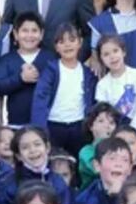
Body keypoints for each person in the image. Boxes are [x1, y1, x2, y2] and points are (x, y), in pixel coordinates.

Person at [30, 22, 96, 158]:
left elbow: (91, 102)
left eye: (72, 40)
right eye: (61, 42)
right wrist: (39, 131)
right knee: (54, 161)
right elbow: (40, 100)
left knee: (79, 163)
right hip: (54, 126)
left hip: (79, 126)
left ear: (80, 42)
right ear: (56, 47)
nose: (67, 45)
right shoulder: (51, 70)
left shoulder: (87, 73)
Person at [0, 126, 73, 204]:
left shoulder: (58, 181)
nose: (32, 150)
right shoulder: (9, 185)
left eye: (37, 144)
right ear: (18, 155)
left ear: (47, 147)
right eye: (25, 147)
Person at [0, 11, 54, 127]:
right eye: (25, 31)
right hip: (16, 123)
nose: (29, 36)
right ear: (15, 34)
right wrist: (20, 79)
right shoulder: (7, 60)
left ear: (41, 34)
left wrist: (39, 77)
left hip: (47, 122)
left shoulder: (50, 58)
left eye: (34, 31)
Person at [72, 137, 132, 204]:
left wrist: (116, 198)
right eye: (112, 158)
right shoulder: (85, 200)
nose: (119, 164)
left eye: (125, 160)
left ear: (130, 168)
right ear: (97, 165)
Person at [94, 34, 136, 131]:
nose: (112, 57)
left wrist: (132, 129)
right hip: (113, 130)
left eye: (115, 51)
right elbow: (104, 114)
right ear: (101, 59)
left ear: (123, 52)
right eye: (106, 54)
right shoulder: (102, 85)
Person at [77, 102, 121, 188]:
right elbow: (97, 170)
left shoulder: (120, 149)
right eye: (101, 121)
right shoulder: (86, 151)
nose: (107, 126)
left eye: (111, 123)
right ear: (91, 126)